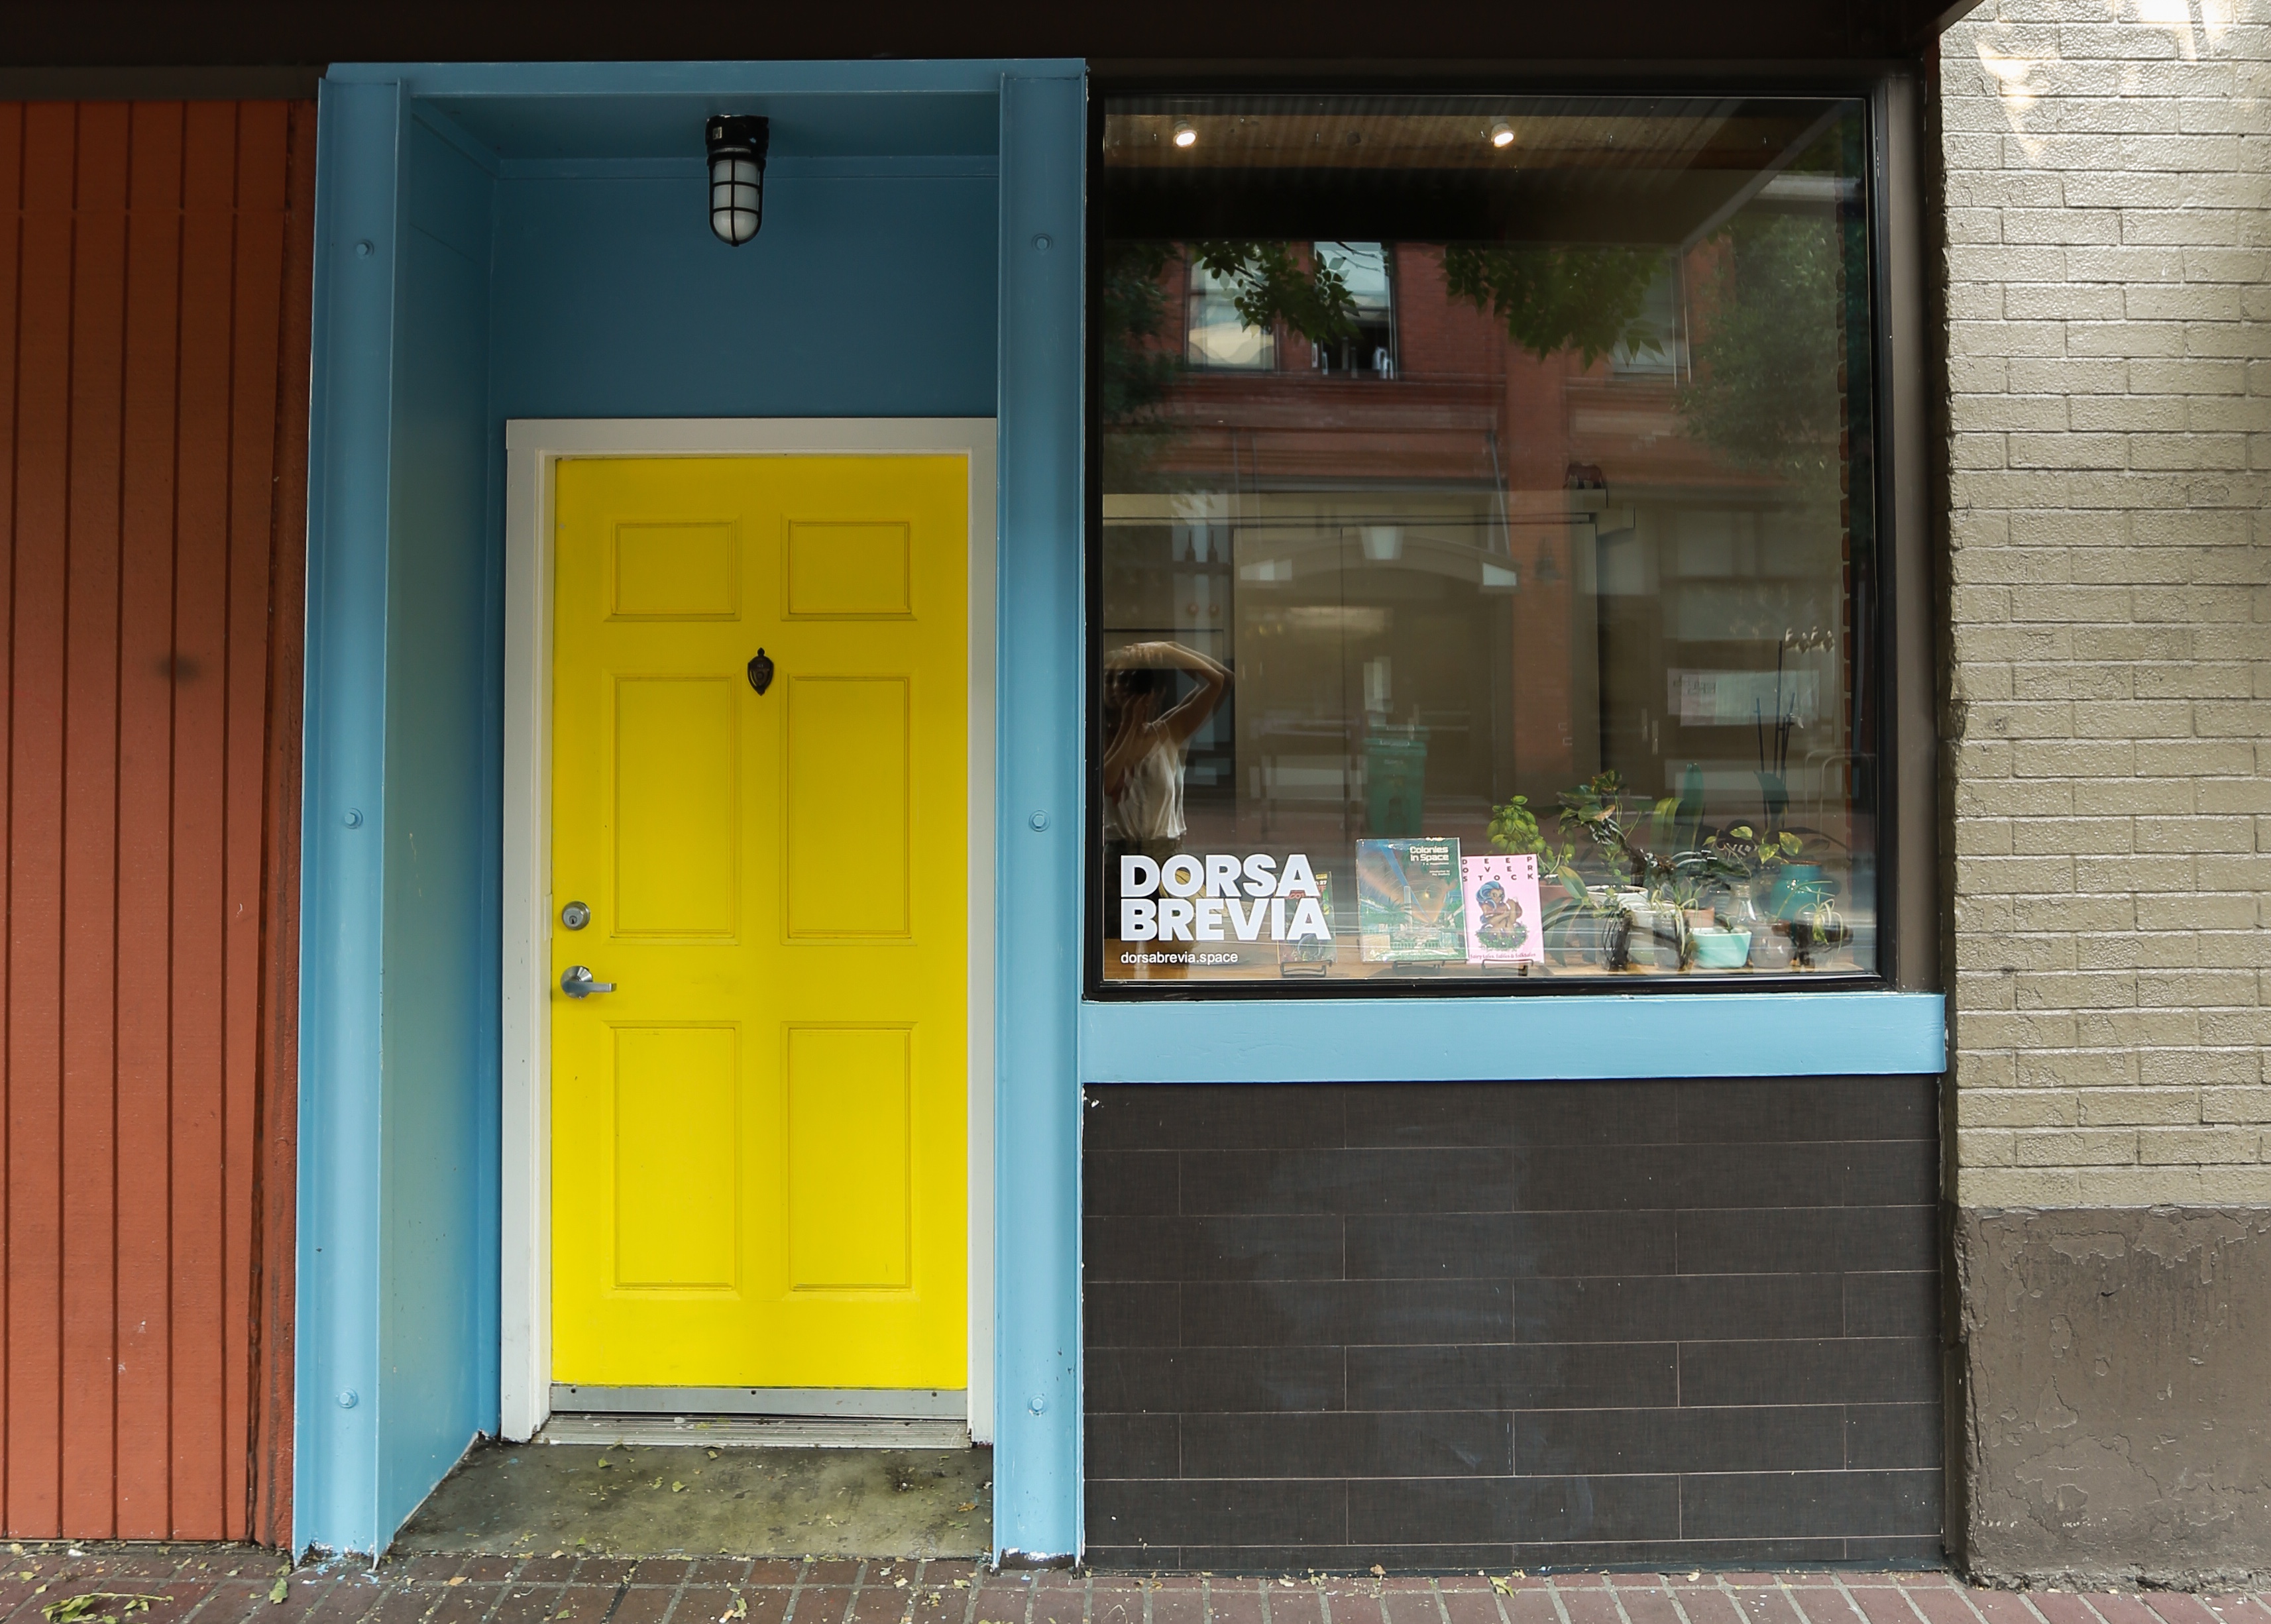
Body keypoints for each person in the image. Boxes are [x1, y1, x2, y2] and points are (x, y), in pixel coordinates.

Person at [1101, 639, 1231, 924]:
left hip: (1165, 856)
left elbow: (1221, 681)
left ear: (1152, 692)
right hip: (1117, 858)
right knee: (1113, 950)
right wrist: (1127, 725)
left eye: (1124, 679)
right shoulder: (1097, 738)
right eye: (1108, 679)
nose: (1115, 687)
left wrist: (1169, 650)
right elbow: (1108, 783)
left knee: (1173, 949)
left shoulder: (1169, 731)